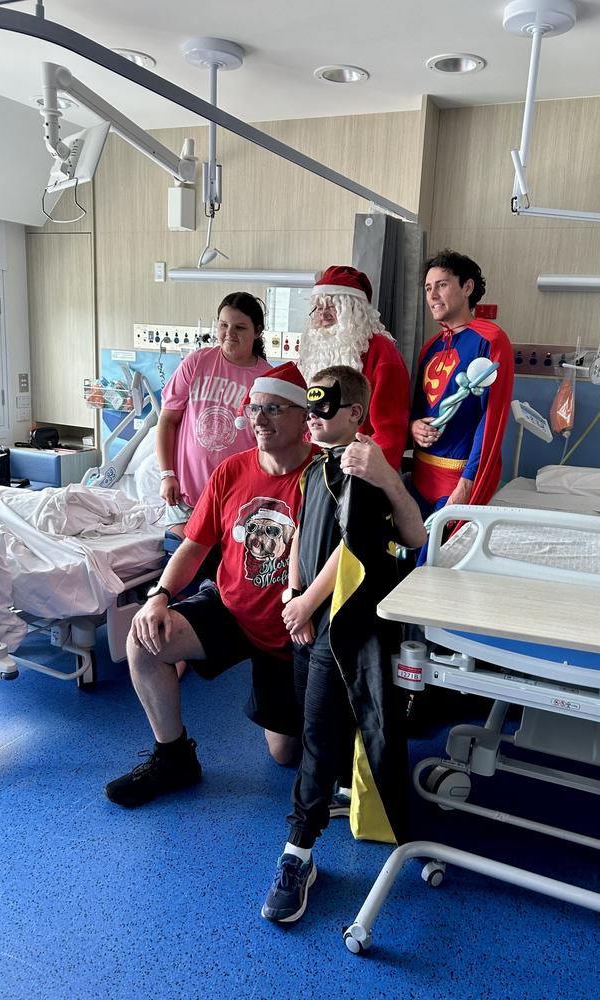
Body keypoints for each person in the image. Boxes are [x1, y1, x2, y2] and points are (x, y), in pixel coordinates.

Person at [104, 363, 318, 809]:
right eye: (255, 408)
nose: (259, 418)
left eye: (274, 409)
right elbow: (194, 547)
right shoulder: (231, 471)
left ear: (303, 418)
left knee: (284, 754)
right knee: (144, 640)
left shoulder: (322, 478)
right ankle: (174, 757)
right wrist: (158, 596)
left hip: (290, 629)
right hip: (231, 607)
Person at [261, 365, 426, 924]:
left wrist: (306, 606)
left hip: (342, 623)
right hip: (309, 617)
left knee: (315, 733)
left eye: (324, 408)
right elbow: (302, 537)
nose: (312, 418)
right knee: (316, 727)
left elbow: (357, 546)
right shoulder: (317, 469)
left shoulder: (359, 469)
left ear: (356, 413)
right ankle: (334, 794)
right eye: (308, 409)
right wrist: (292, 592)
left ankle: (298, 852)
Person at [409, 250, 514, 556]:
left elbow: (490, 419)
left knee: (431, 565)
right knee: (405, 559)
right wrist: (413, 425)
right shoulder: (431, 346)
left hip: (456, 479)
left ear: (467, 288)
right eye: (428, 288)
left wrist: (468, 481)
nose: (433, 296)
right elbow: (416, 408)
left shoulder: (491, 340)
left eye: (441, 285)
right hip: (419, 476)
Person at [156, 291, 272, 538]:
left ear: (258, 331)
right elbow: (167, 421)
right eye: (223, 325)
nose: (229, 333)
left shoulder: (268, 380)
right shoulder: (197, 362)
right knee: (181, 567)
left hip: (236, 500)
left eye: (240, 327)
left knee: (220, 573)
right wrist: (167, 475)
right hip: (185, 497)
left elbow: (270, 444)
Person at [297, 265, 410, 471]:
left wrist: (372, 478)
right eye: (318, 307)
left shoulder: (381, 352)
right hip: (315, 465)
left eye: (332, 306)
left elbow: (389, 432)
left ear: (354, 310)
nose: (323, 314)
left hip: (357, 469)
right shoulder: (312, 351)